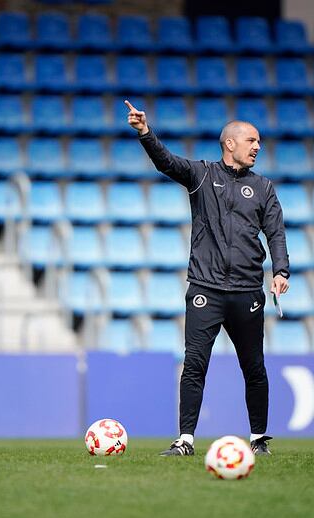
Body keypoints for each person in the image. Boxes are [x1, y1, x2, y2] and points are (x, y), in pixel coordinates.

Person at [124, 100, 290, 457]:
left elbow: (275, 232)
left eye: (258, 142)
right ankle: (185, 440)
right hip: (206, 288)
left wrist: (280, 271)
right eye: (251, 140)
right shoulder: (201, 175)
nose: (258, 146)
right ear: (230, 144)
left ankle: (259, 438)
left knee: (254, 367)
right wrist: (145, 133)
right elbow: (166, 162)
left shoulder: (263, 188)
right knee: (195, 364)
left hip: (247, 291)